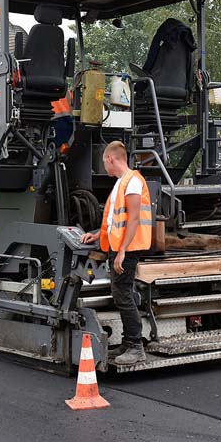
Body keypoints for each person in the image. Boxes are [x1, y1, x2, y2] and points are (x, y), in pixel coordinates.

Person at [81, 141, 153, 365]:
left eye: (104, 162)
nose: (104, 167)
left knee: (123, 293)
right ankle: (128, 342)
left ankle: (135, 346)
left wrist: (121, 251)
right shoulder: (121, 183)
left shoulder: (131, 182)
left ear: (111, 159)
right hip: (121, 247)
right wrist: (96, 235)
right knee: (122, 292)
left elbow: (133, 219)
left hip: (128, 248)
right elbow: (114, 221)